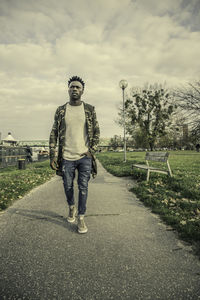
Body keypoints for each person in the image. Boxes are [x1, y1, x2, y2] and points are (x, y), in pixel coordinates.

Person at [49, 76, 100, 234]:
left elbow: (97, 131)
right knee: (68, 186)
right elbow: (54, 132)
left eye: (78, 87)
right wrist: (52, 154)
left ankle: (81, 217)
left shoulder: (90, 109)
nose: (75, 89)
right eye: (72, 87)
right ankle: (72, 207)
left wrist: (92, 151)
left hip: (84, 156)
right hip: (66, 157)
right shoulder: (61, 110)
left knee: (83, 187)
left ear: (83, 90)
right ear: (68, 89)